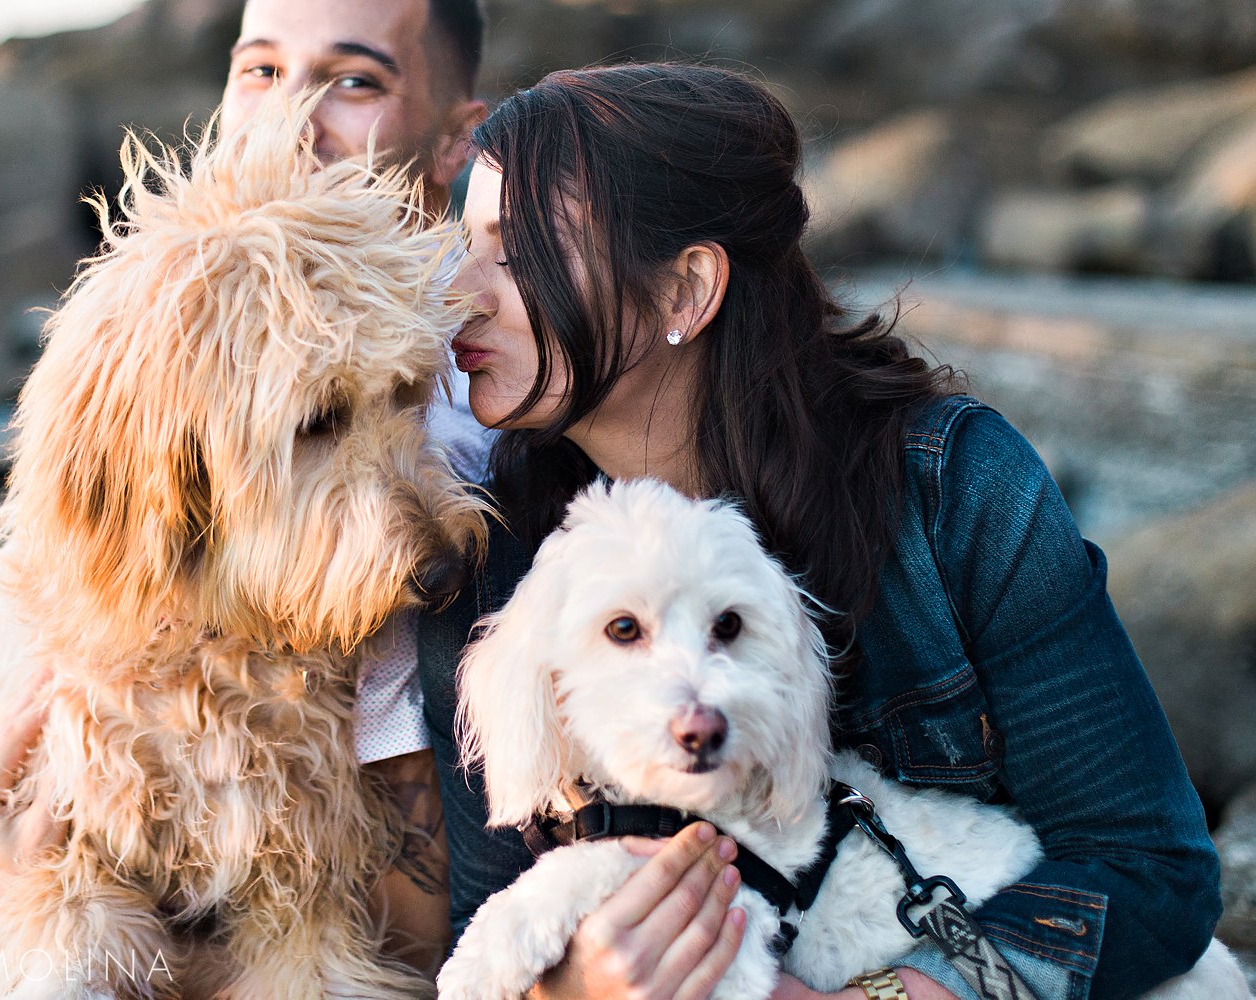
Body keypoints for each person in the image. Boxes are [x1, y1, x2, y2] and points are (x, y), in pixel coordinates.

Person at [417, 62, 1223, 1000]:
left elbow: (1148, 870)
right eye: (461, 243)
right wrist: (577, 988)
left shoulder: (955, 490)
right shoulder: (487, 562)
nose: (454, 293)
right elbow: (492, 929)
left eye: (515, 254)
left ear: (685, 292)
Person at [0, 1, 487, 996]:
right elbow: (63, 588)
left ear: (457, 136)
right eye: (260, 70)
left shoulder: (488, 378)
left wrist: (61, 932)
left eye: (356, 81)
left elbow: (400, 943)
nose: (288, 122)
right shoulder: (175, 324)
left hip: (249, 943)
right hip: (67, 863)